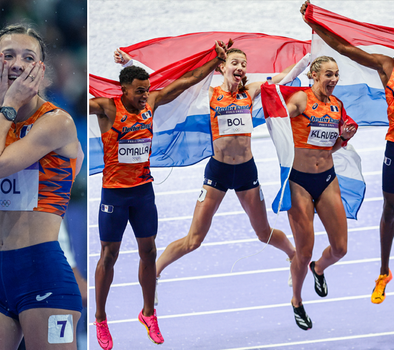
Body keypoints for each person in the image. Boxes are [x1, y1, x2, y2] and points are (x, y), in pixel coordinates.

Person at [301, 0, 394, 307]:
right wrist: (314, 22)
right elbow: (344, 48)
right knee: (389, 210)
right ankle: (384, 273)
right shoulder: (387, 66)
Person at [89, 40, 230, 350]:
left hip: (143, 192)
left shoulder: (151, 103)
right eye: (139, 91)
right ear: (124, 90)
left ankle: (148, 313)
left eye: (146, 89)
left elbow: (187, 80)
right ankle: (100, 318)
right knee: (108, 257)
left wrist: (213, 58)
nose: (144, 95)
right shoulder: (107, 108)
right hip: (114, 195)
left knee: (149, 253)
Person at [0, 24, 83, 349]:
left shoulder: (55, 122)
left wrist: (5, 105)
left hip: (42, 272)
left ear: (41, 68)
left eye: (28, 57)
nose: (17, 64)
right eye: (8, 56)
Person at [149, 47, 296, 286]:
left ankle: (294, 256)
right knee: (194, 240)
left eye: (243, 64)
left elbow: (284, 77)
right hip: (218, 172)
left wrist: (310, 57)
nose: (240, 68)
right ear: (222, 67)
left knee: (264, 233)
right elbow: (173, 84)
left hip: (247, 172)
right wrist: (128, 64)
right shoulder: (210, 94)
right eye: (235, 62)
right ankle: (152, 273)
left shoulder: (251, 91)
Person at [281, 56, 357, 330]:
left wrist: (344, 138)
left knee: (340, 248)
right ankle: (297, 300)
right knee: (304, 251)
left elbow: (330, 146)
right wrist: (282, 112)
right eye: (328, 74)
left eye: (336, 75)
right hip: (299, 181)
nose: (333, 80)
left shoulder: (336, 106)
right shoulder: (301, 99)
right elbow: (282, 114)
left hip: (326, 178)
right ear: (314, 75)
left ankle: (319, 269)